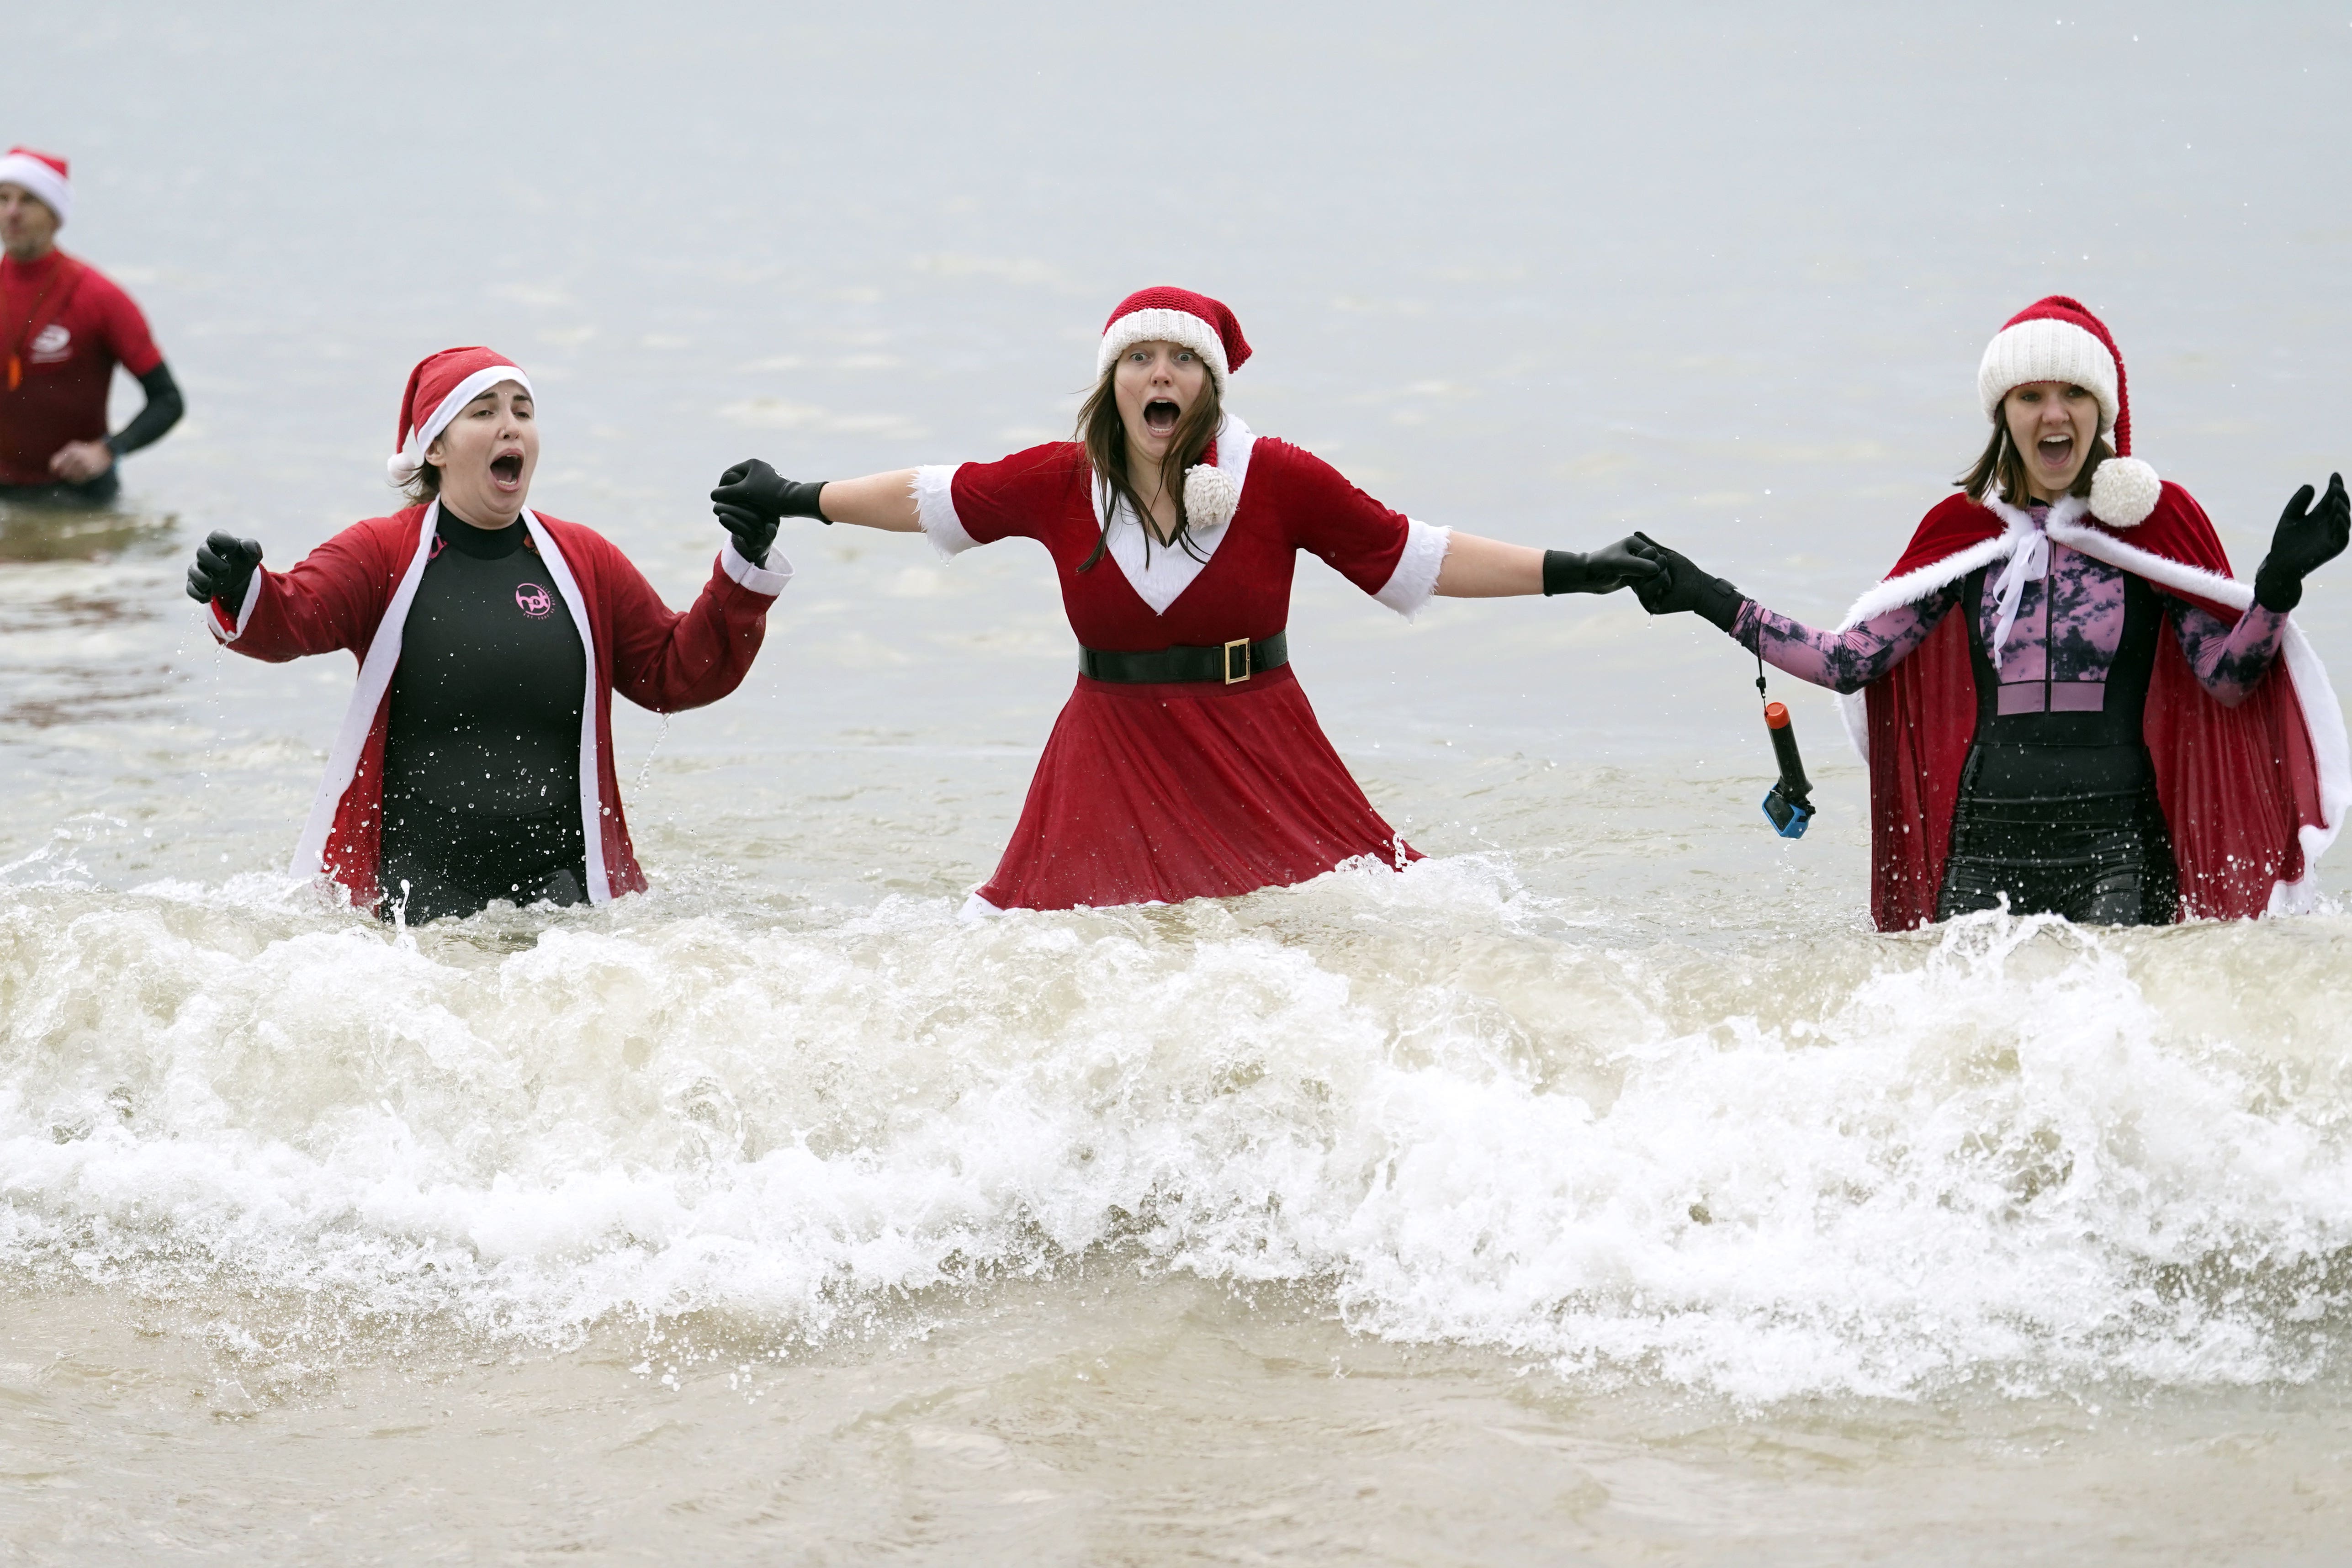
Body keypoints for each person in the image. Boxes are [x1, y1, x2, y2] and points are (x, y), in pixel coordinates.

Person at [710, 285, 1659, 912]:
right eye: (1139, 358)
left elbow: (1412, 556)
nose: (1159, 373)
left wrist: (1583, 568)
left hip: (1257, 744)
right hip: (1109, 750)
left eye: (1182, 360)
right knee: (1053, 949)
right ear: (1113, 383)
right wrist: (795, 498)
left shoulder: (1275, 476)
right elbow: (929, 497)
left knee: (1355, 927)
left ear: (1208, 386)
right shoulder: (1058, 477)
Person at [1628, 296, 2347, 929]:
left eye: (2073, 392)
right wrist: (1705, 594)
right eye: (2031, 395)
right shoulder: (1965, 532)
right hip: (1986, 838)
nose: (2055, 413)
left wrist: (2276, 591)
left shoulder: (2150, 528)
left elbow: (2226, 682)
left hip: (2118, 841)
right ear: (2004, 413)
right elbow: (1847, 663)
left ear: (2103, 410)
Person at [185, 346, 792, 921]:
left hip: (567, 891)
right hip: (413, 896)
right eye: (484, 412)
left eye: (522, 412)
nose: (512, 427)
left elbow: (674, 673)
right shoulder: (383, 552)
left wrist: (744, 559)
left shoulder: (583, 559)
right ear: (437, 449)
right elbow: (295, 618)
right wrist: (241, 589)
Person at [0, 147, 183, 505]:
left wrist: (109, 449)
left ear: (56, 215)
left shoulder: (100, 296)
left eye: (29, 200)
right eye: (3, 199)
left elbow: (168, 400)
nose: (12, 212)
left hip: (78, 500)